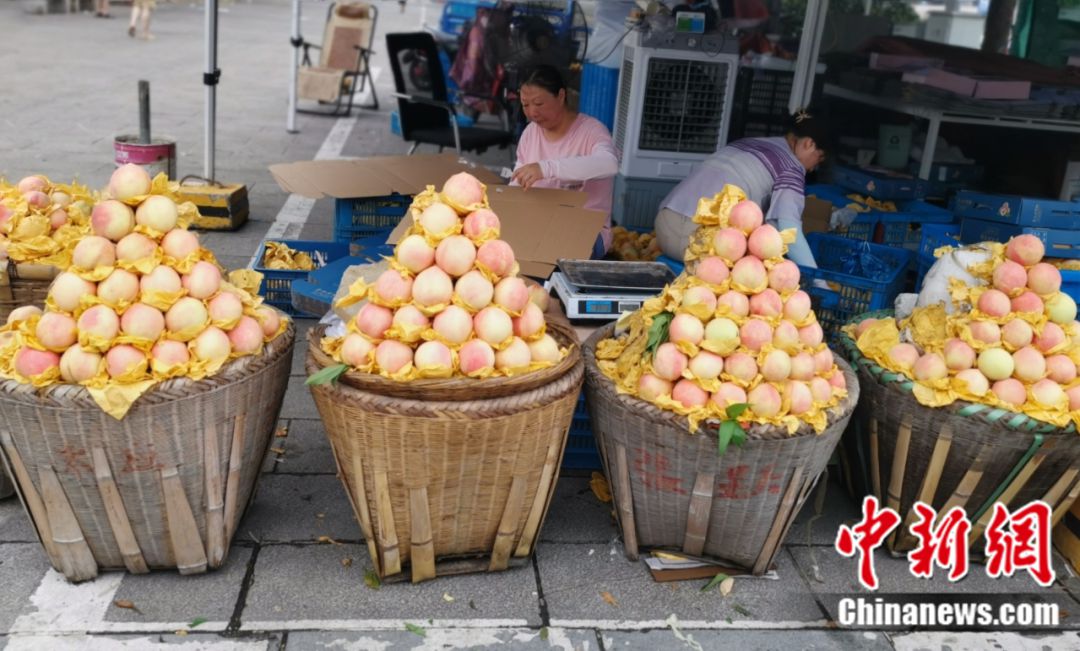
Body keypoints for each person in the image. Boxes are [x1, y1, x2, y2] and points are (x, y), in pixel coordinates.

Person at [654, 109, 831, 269]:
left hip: (663, 225)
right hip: (700, 243)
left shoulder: (748, 143)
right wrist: (817, 281)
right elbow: (788, 229)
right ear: (808, 144)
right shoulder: (792, 167)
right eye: (819, 158)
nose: (813, 168)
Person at [510, 65, 619, 259]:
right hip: (537, 226)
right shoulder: (529, 134)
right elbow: (516, 185)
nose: (532, 113)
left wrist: (546, 168)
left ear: (561, 96)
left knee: (548, 255)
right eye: (525, 105)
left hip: (585, 229)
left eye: (538, 103)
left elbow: (609, 163)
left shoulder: (592, 131)